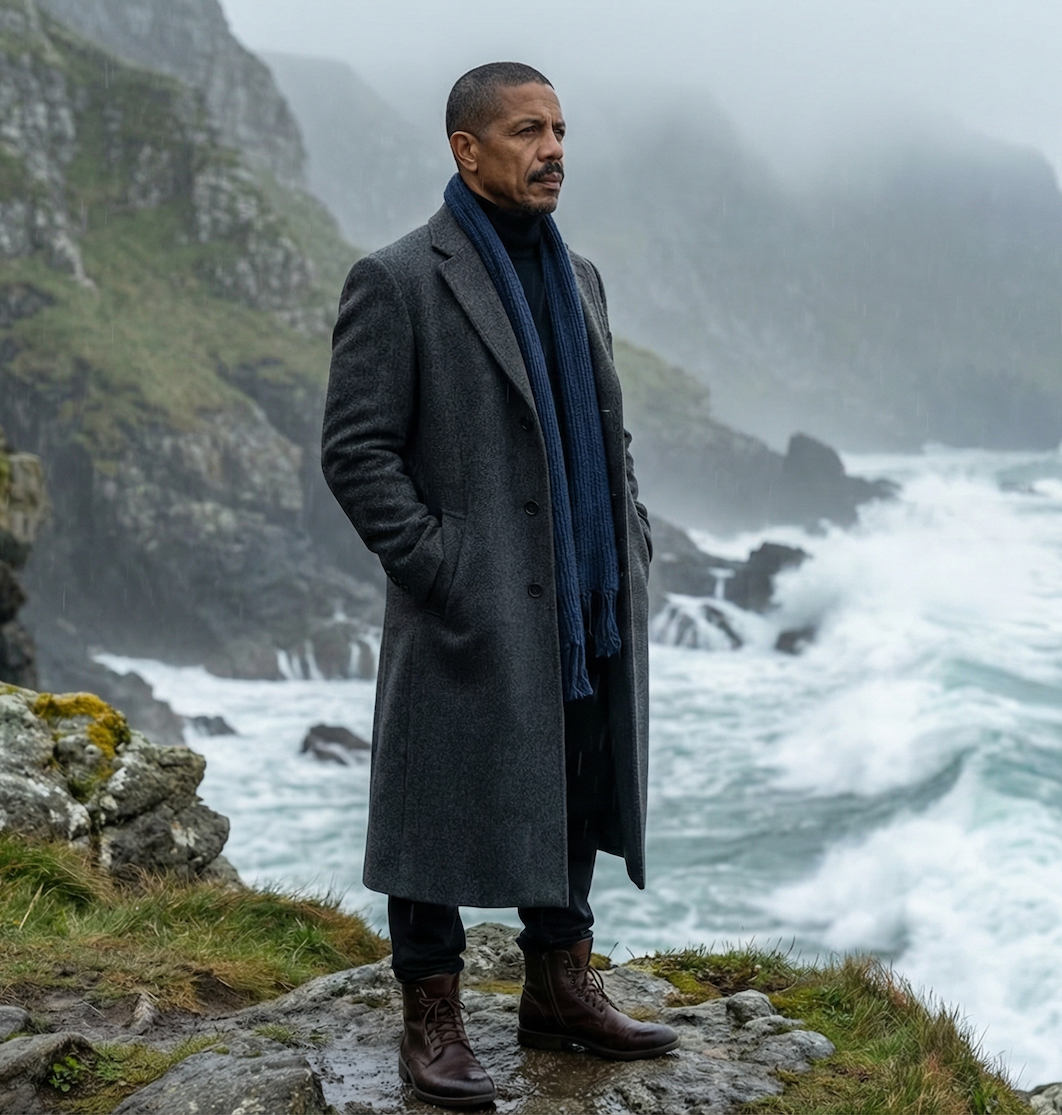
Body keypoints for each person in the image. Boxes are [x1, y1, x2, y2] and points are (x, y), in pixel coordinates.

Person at [321, 61, 676, 1108]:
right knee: (434, 795)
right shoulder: (397, 279)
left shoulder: (583, 279)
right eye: (528, 131)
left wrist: (632, 534)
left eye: (560, 129)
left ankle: (559, 983)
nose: (553, 149)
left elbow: (606, 433)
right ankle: (431, 1015)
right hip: (468, 597)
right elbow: (356, 453)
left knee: (570, 770)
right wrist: (442, 565)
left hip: (579, 591)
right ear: (466, 149)